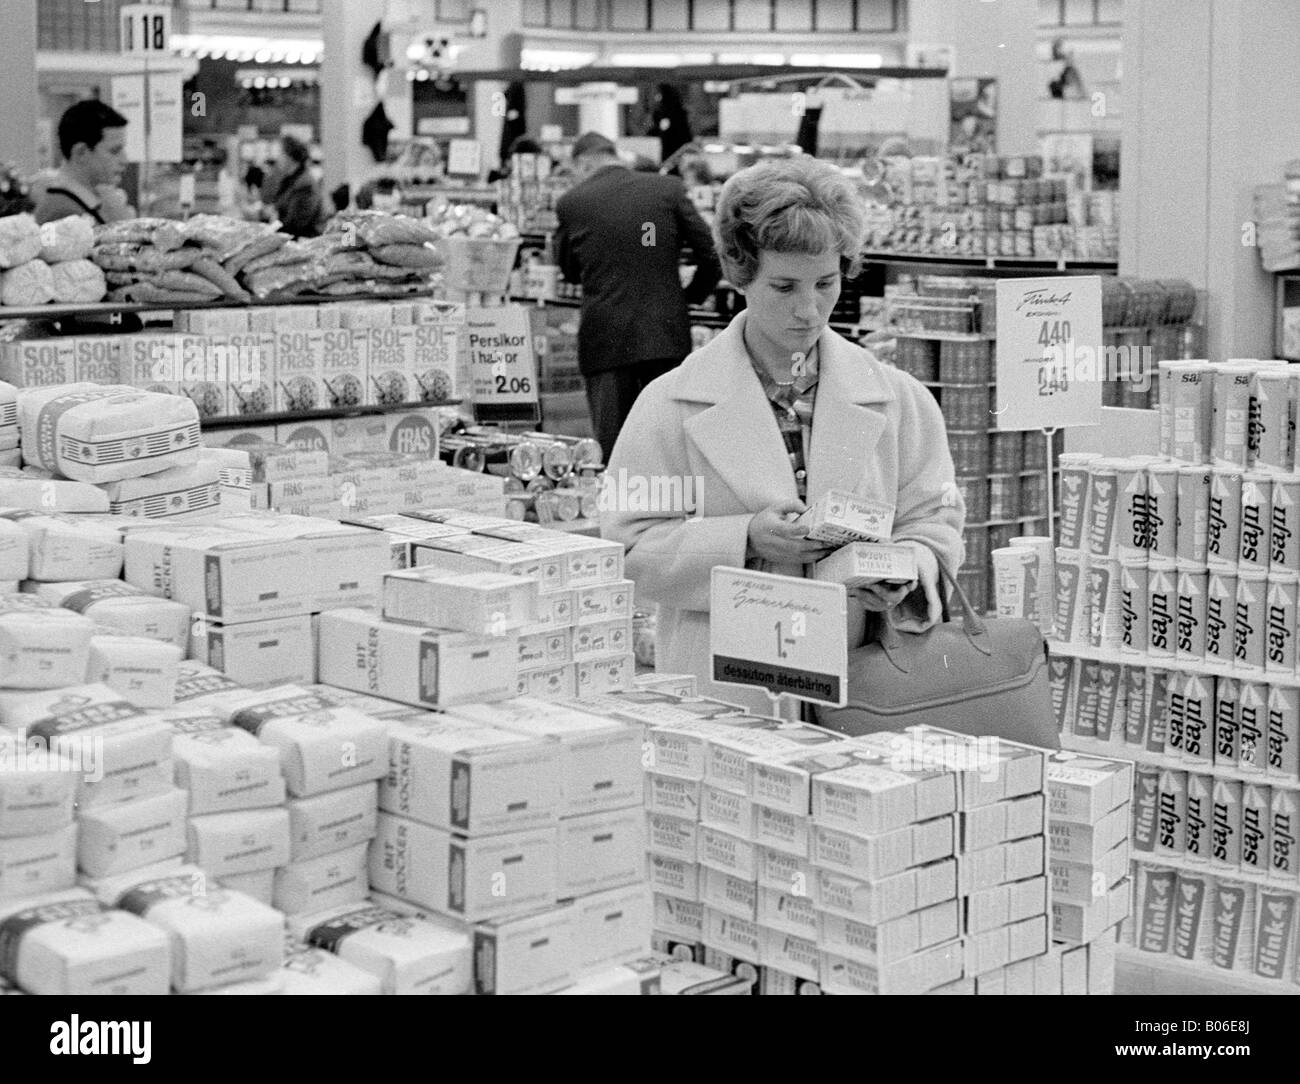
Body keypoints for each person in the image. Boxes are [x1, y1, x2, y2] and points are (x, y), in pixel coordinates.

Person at [601, 155, 966, 713]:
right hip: (726, 690)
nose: (809, 309)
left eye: (826, 283)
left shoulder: (899, 400)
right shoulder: (670, 405)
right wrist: (746, 539)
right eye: (784, 286)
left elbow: (934, 522)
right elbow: (625, 546)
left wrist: (903, 571)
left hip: (862, 687)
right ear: (739, 272)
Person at [556, 131, 721, 458]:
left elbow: (570, 271)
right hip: (665, 334)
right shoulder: (666, 189)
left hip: (606, 340)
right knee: (671, 445)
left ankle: (621, 508)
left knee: (616, 452)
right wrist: (686, 297)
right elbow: (712, 255)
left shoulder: (573, 202)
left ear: (584, 162)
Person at [34, 100, 135, 226]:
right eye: (114, 151)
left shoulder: (90, 201)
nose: (124, 160)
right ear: (81, 152)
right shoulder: (63, 213)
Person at [261, 135, 326, 238]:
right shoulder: (290, 180)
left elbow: (294, 223)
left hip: (303, 242)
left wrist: (273, 218)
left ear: (290, 156)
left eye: (280, 153)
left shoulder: (305, 184)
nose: (277, 158)